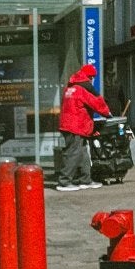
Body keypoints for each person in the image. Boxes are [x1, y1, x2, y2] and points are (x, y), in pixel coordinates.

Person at [57, 62, 110, 190]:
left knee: (82, 152)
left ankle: (85, 179)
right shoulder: (83, 89)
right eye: (92, 78)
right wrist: (107, 113)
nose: (92, 81)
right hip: (76, 126)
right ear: (89, 77)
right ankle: (64, 181)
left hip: (68, 125)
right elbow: (96, 102)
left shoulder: (70, 88)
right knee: (74, 153)